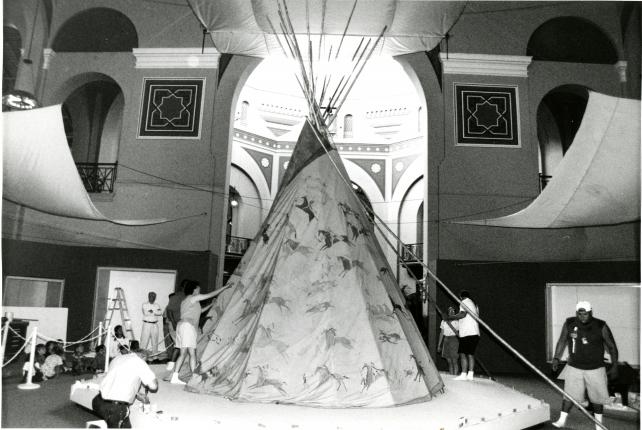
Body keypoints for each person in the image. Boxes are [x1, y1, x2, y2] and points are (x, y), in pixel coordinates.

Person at [550, 301, 618, 429]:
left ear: (591, 312)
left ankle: (599, 425)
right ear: (576, 313)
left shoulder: (600, 325)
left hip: (596, 368)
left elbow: (612, 346)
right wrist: (556, 358)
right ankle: (562, 420)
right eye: (579, 314)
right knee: (569, 395)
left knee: (597, 399)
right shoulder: (569, 323)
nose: (582, 316)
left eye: (585, 314)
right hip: (574, 367)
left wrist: (615, 366)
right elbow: (562, 341)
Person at [168, 279, 226, 385]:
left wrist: (211, 305)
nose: (200, 289)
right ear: (194, 289)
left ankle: (176, 377)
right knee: (192, 353)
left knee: (184, 353)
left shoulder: (186, 301)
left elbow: (199, 312)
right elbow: (209, 295)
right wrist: (224, 288)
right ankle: (194, 377)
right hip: (187, 327)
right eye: (198, 288)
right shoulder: (194, 298)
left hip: (182, 326)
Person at [91, 344, 158, 428]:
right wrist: (153, 377)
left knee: (126, 426)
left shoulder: (117, 358)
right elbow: (153, 386)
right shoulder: (140, 362)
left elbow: (120, 381)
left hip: (98, 401)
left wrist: (136, 394)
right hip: (115, 408)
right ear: (144, 357)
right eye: (146, 360)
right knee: (119, 416)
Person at [447, 290, 480, 381]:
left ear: (461, 297)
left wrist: (451, 317)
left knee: (462, 354)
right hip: (475, 332)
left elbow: (462, 314)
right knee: (470, 354)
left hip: (467, 333)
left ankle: (464, 374)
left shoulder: (464, 302)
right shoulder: (474, 304)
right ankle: (470, 374)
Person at [164, 282, 186, 371]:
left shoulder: (178, 305)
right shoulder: (169, 307)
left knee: (178, 345)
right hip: (172, 326)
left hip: (177, 325)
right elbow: (167, 316)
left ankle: (173, 363)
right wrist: (173, 324)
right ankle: (172, 363)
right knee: (178, 345)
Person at [140, 292, 163, 362]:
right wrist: (155, 311)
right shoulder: (144, 304)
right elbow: (146, 313)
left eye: (153, 296)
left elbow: (160, 313)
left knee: (155, 341)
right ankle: (142, 357)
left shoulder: (157, 305)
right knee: (144, 340)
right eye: (151, 296)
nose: (152, 298)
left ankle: (155, 357)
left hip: (155, 324)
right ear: (148, 297)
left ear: (155, 297)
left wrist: (152, 311)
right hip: (147, 324)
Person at [438, 307, 460, 375]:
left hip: (454, 340)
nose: (452, 312)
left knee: (454, 361)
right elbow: (441, 333)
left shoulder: (457, 321)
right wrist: (439, 345)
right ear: (448, 312)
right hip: (446, 340)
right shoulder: (443, 321)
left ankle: (455, 376)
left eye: (453, 310)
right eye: (450, 310)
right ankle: (451, 376)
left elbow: (460, 332)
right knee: (449, 361)